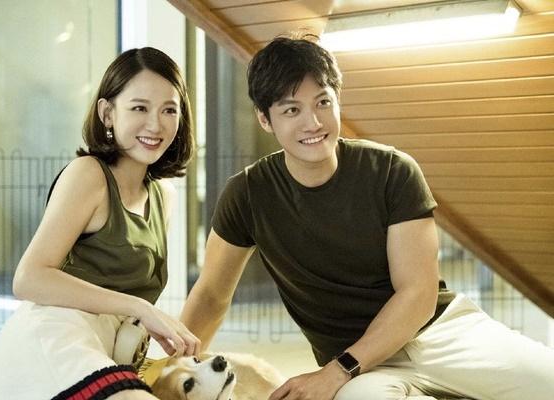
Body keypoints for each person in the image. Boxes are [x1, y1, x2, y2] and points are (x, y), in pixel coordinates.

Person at [180, 33, 554, 400]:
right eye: (292, 110)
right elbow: (211, 295)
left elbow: (417, 293)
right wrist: (170, 373)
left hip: (439, 334)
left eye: (323, 102)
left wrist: (336, 371)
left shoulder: (392, 170)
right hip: (359, 369)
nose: (313, 122)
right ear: (264, 119)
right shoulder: (248, 194)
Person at [0, 47, 200, 400]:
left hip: (104, 352)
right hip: (54, 341)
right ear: (107, 113)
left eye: (169, 110)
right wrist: (141, 308)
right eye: (139, 108)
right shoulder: (89, 175)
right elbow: (29, 278)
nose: (155, 124)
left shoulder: (164, 196)